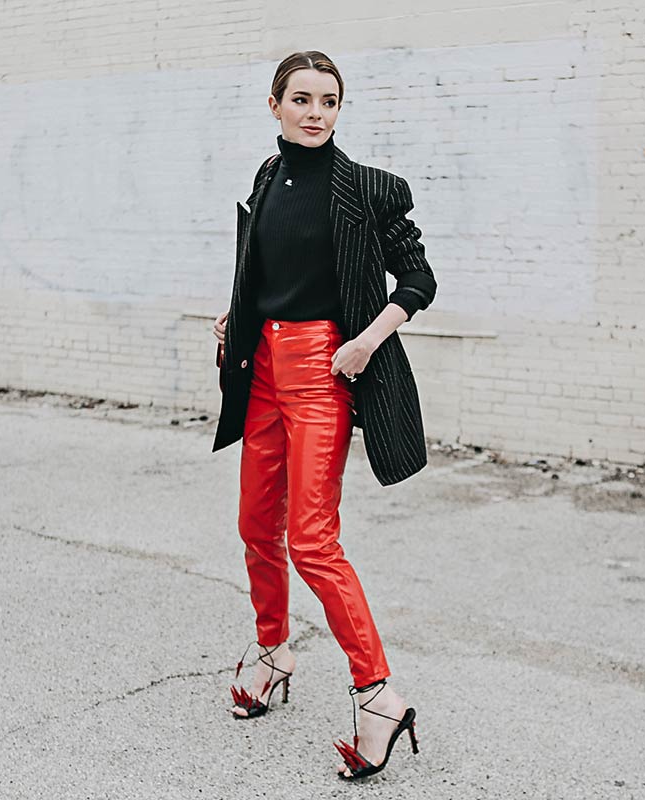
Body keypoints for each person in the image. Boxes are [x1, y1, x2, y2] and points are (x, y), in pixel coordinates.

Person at [210, 50, 437, 780]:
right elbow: (267, 269)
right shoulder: (266, 178)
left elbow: (419, 280)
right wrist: (239, 314)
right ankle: (273, 651)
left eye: (329, 101)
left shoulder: (369, 189)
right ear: (274, 104)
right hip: (264, 371)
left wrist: (366, 342)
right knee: (255, 524)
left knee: (311, 539)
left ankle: (377, 694)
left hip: (322, 371)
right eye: (302, 99)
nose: (315, 113)